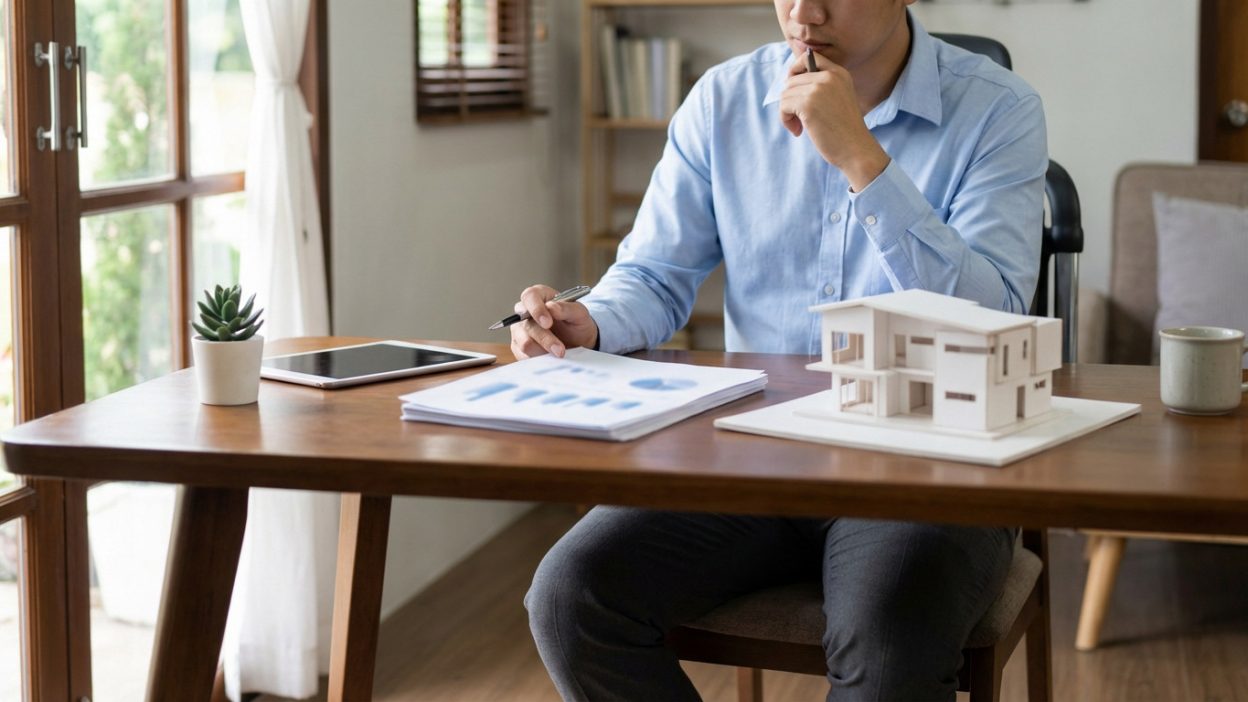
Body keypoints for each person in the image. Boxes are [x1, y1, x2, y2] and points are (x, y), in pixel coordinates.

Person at [515, 0, 1047, 699]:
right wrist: (590, 319)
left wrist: (860, 155)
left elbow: (994, 319)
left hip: (930, 460)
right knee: (570, 595)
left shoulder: (999, 109)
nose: (802, 11)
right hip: (754, 449)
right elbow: (653, 274)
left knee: (886, 636)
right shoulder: (723, 99)